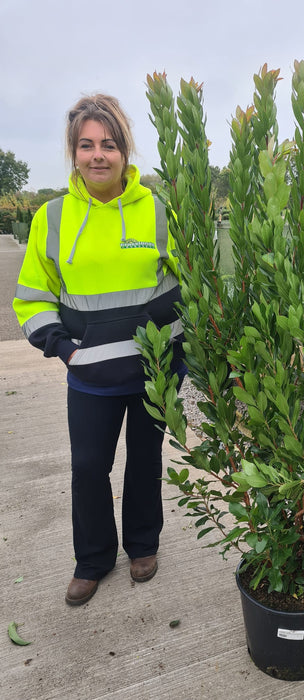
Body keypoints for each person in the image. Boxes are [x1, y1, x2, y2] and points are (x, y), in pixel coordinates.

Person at [13, 94, 185, 606]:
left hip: (154, 372)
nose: (98, 156)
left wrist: (183, 351)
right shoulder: (52, 217)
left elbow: (188, 287)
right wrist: (64, 348)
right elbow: (32, 296)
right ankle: (91, 559)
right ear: (74, 153)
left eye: (109, 144)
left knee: (146, 461)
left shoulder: (158, 212)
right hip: (87, 374)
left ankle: (142, 546)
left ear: (124, 151)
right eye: (86, 145)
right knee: (89, 466)